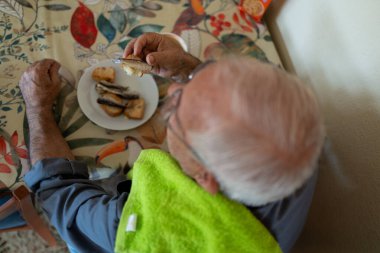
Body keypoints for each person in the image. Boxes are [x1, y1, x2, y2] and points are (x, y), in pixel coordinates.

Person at [19, 33, 324, 253]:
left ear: (203, 177)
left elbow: (59, 191)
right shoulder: (298, 139)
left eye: (176, 114)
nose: (175, 90)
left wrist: (38, 108)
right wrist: (190, 67)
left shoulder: (143, 227)